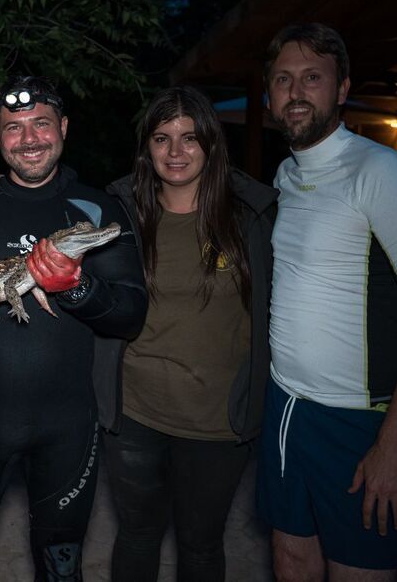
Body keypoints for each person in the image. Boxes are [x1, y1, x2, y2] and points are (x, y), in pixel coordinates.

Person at [256, 23, 397, 580]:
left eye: (312, 78)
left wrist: (394, 443)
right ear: (270, 96)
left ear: (342, 88)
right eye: (283, 79)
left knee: (358, 570)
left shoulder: (382, 172)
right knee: (290, 557)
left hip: (358, 420)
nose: (296, 92)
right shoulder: (286, 175)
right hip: (285, 405)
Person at [0, 76, 148, 581]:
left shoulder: (99, 210)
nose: (29, 139)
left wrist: (75, 286)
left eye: (41, 124)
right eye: (14, 128)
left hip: (67, 427)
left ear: (64, 128)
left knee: (62, 567)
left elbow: (131, 315)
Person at [98, 86, 277, 580]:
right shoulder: (119, 216)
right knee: (136, 537)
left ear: (211, 145)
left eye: (189, 138)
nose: (175, 152)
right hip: (134, 414)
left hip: (217, 423)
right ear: (147, 147)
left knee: (201, 547)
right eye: (162, 138)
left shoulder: (252, 219)